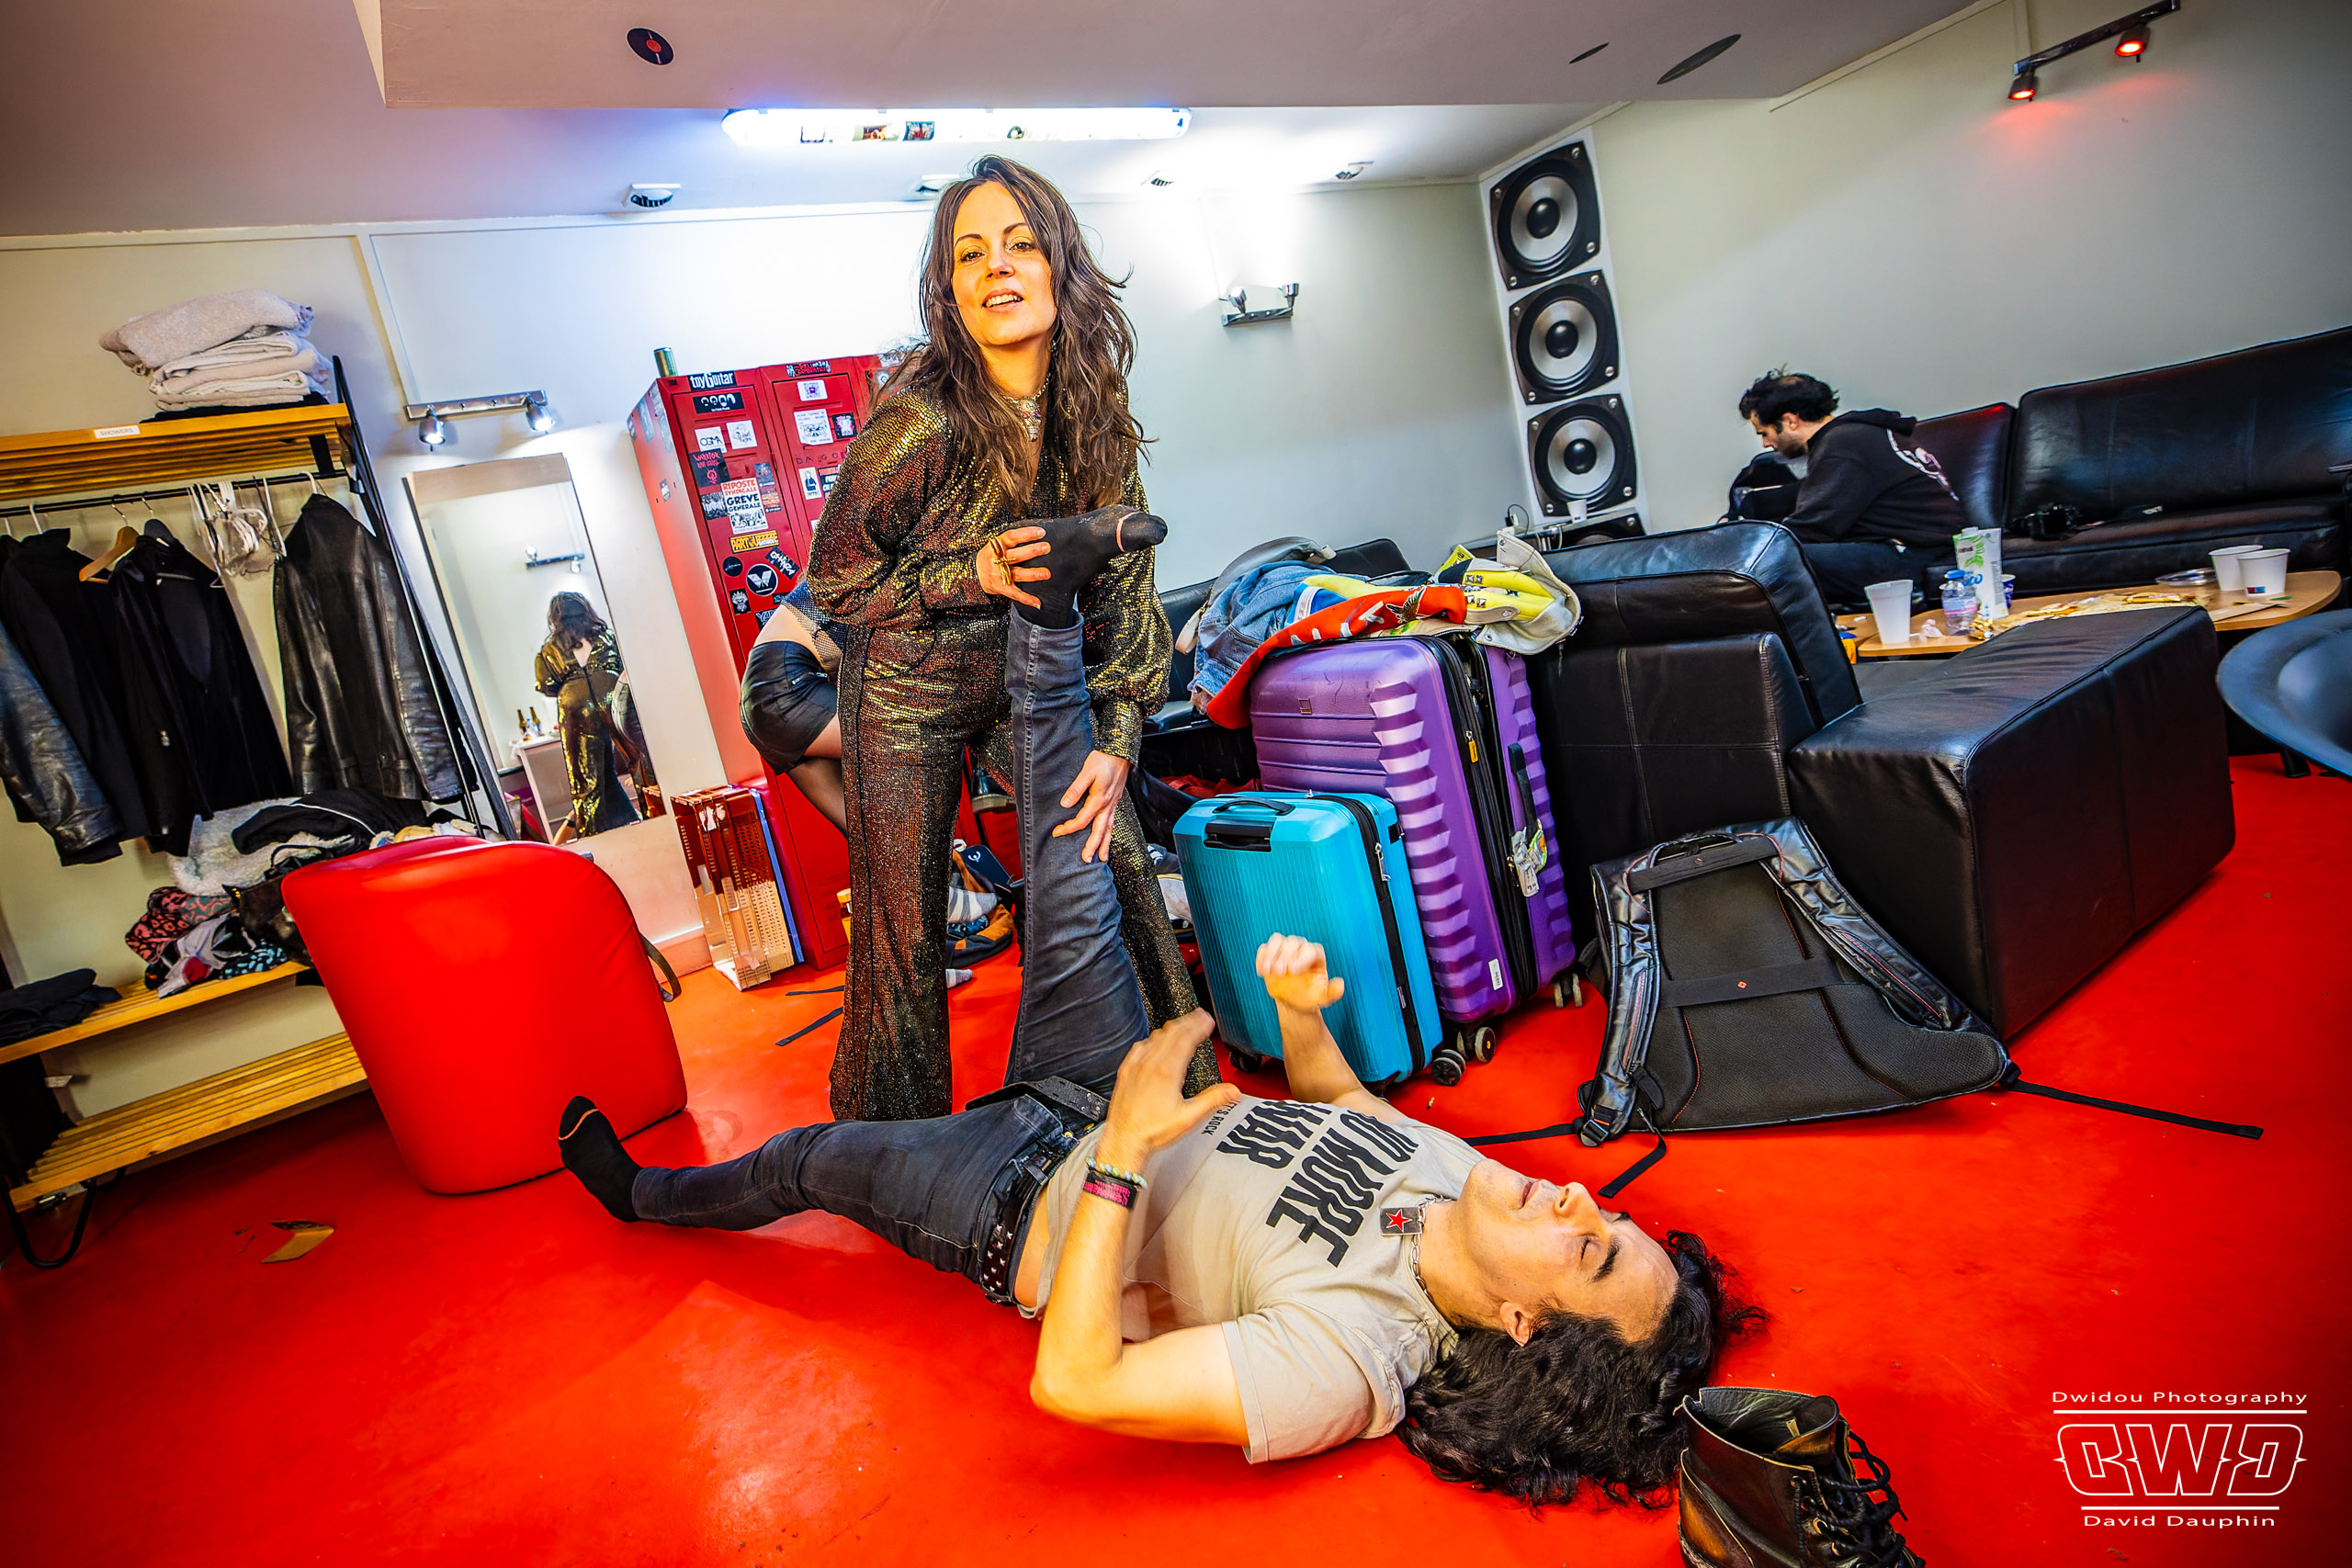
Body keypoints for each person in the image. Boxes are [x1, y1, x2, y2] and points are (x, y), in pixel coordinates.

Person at [556, 560, 1758, 1503]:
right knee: (1074, 847)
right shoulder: (1466, 1183)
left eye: (1589, 1250)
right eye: (1612, 1218)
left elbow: (1081, 1380)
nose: (1581, 1201)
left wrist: (1124, 1154)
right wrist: (1301, 1017)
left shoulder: (1356, 1357)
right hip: (1108, 1081)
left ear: (1525, 1326)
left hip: (1016, 1194)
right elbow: (1342, 1107)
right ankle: (1043, 601)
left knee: (805, 1158)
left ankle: (642, 1195)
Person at [808, 153, 1207, 1123]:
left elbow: (1128, 587)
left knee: (1117, 858)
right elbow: (837, 578)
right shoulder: (916, 425)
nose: (996, 267)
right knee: (904, 932)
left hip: (1028, 679)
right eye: (970, 253)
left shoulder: (1093, 418)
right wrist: (970, 573)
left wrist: (1118, 738)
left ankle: (1181, 1104)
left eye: (1021, 244)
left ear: (1059, 264)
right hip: (904, 690)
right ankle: (887, 1150)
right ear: (949, 289)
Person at [1736, 371, 1965, 608]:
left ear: (1790, 421)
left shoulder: (1841, 444)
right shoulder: (1861, 434)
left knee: (1773, 560)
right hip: (1916, 547)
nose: (1766, 444)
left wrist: (1745, 547)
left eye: (1765, 433)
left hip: (1912, 554)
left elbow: (1813, 526)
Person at [533, 592, 650, 839]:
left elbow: (546, 684)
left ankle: (595, 837)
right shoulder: (605, 634)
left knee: (585, 777)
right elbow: (625, 665)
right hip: (611, 692)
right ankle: (655, 813)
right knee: (639, 759)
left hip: (574, 703)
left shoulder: (549, 647)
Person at [738, 582, 847, 834]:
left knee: (861, 828)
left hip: (760, 710)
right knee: (909, 740)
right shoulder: (844, 582)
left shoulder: (823, 589)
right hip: (784, 692)